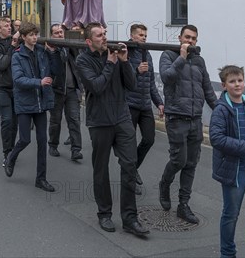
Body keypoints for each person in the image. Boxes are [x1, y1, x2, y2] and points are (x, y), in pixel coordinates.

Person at [75, 22, 149, 237]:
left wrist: (125, 62)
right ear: (89, 41)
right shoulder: (83, 60)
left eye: (105, 33)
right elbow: (96, 87)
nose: (104, 37)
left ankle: (130, 218)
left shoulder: (114, 54)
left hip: (122, 117)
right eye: (99, 35)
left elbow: (132, 84)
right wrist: (110, 63)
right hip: (99, 121)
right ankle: (104, 213)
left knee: (129, 165)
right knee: (101, 169)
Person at [158, 24, 217, 224]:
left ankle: (183, 205)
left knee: (191, 163)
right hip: (176, 117)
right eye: (187, 37)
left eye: (194, 38)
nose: (190, 41)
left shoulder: (199, 61)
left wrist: (221, 111)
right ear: (180, 37)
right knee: (178, 160)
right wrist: (181, 58)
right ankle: (165, 184)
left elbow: (207, 88)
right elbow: (167, 78)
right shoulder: (168, 55)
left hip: (195, 119)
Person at [209, 65, 245, 258]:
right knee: (231, 215)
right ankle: (227, 254)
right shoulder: (221, 109)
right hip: (233, 170)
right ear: (224, 85)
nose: (237, 84)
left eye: (240, 80)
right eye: (232, 81)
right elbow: (216, 138)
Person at [4, 22, 60, 193]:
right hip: (25, 103)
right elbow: (18, 80)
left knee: (42, 141)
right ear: (23, 37)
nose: (35, 37)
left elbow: (55, 70)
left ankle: (40, 178)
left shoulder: (42, 51)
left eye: (36, 34)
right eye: (31, 35)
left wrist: (52, 52)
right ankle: (11, 157)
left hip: (41, 103)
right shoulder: (17, 56)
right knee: (25, 139)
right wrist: (39, 82)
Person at [125, 24, 164, 195]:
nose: (143, 38)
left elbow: (150, 83)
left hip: (145, 104)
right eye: (140, 35)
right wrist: (136, 70)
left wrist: (159, 103)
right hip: (130, 104)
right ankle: (129, 180)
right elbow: (121, 79)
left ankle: (133, 169)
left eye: (145, 35)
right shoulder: (125, 52)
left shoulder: (146, 53)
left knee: (149, 139)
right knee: (129, 144)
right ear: (132, 36)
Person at [47, 24, 84, 161]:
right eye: (56, 33)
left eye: (61, 32)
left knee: (74, 119)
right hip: (57, 90)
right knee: (55, 120)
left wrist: (76, 30)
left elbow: (80, 44)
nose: (60, 35)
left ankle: (76, 150)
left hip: (72, 90)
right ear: (51, 36)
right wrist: (53, 51)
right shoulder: (49, 51)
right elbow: (54, 68)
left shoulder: (69, 47)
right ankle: (53, 145)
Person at [0, 17, 20, 166]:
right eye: (6, 26)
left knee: (15, 122)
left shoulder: (14, 41)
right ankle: (6, 153)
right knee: (7, 120)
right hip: (3, 88)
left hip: (17, 87)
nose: (9, 28)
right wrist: (12, 47)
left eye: (10, 25)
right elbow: (2, 64)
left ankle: (12, 149)